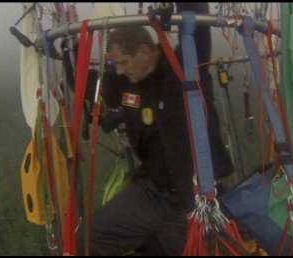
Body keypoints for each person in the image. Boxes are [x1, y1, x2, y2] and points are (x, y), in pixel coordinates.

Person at [89, 3, 234, 256]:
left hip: (193, 198)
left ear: (144, 51)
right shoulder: (127, 81)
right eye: (116, 65)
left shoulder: (185, 69)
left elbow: (198, 29)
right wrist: (71, 50)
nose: (120, 70)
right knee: (93, 238)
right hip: (151, 192)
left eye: (123, 62)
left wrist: (183, 7)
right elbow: (93, 87)